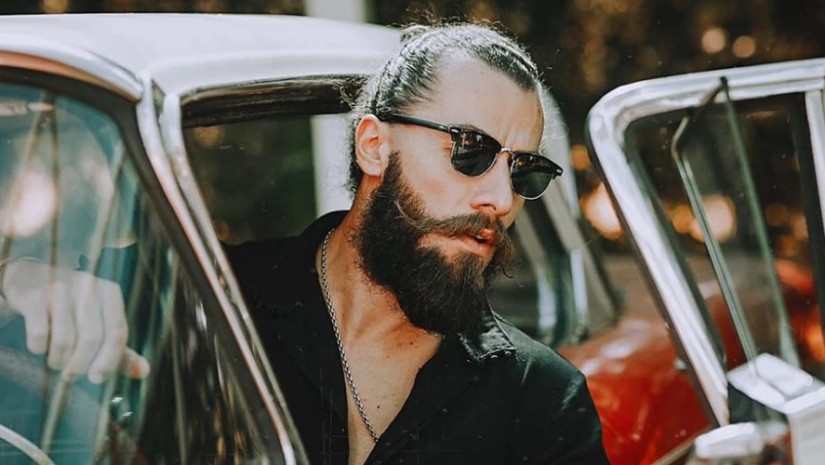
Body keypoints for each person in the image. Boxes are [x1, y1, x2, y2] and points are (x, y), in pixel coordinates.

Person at [0, 22, 610, 465]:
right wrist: (23, 278)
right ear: (374, 146)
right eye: (470, 151)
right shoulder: (207, 297)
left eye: (524, 170)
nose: (501, 199)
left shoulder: (542, 399)